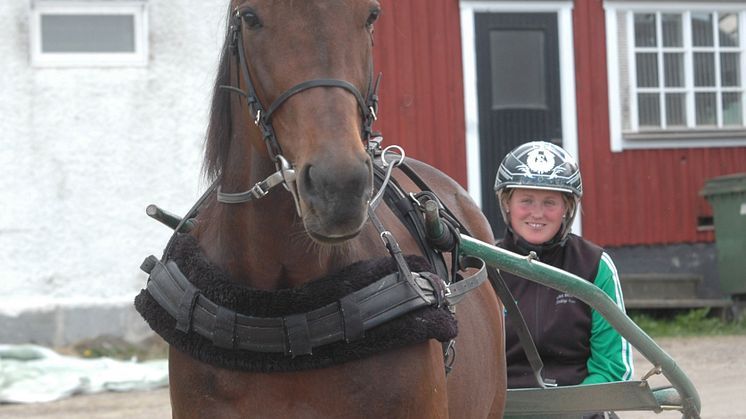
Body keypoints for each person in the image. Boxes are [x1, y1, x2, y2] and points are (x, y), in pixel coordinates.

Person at [493, 141, 634, 391]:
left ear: (567, 208)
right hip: (503, 407)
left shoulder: (593, 265)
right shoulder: (485, 265)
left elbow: (612, 366)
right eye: (526, 200)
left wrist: (577, 410)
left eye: (550, 202)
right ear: (507, 203)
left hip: (580, 408)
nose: (537, 213)